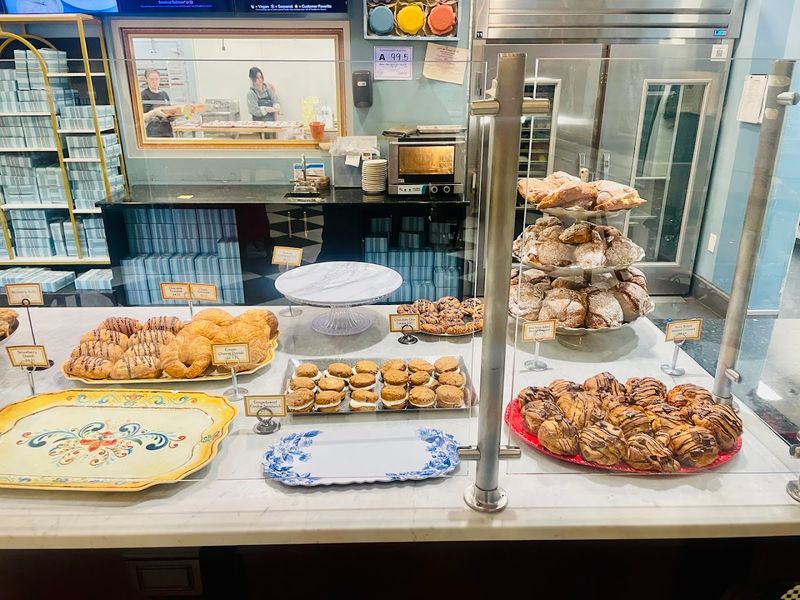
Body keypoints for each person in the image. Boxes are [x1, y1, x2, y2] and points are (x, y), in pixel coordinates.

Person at [141, 68, 174, 138]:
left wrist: (174, 114)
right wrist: (155, 112)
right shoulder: (144, 95)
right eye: (151, 79)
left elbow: (170, 113)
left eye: (156, 79)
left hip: (168, 132)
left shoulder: (164, 94)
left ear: (159, 80)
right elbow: (142, 117)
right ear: (146, 80)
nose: (154, 81)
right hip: (154, 133)